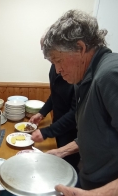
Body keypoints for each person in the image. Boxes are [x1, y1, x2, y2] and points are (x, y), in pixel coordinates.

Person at [41, 10, 118, 196]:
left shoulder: (114, 74)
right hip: (90, 188)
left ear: (80, 47)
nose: (57, 70)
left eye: (58, 60)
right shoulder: (85, 77)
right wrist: (61, 151)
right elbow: (99, 132)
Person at [29, 37, 80, 172]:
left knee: (68, 169)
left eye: (52, 55)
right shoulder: (55, 67)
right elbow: (55, 94)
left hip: (72, 131)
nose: (57, 69)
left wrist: (47, 132)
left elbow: (75, 113)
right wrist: (42, 112)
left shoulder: (76, 74)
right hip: (59, 125)